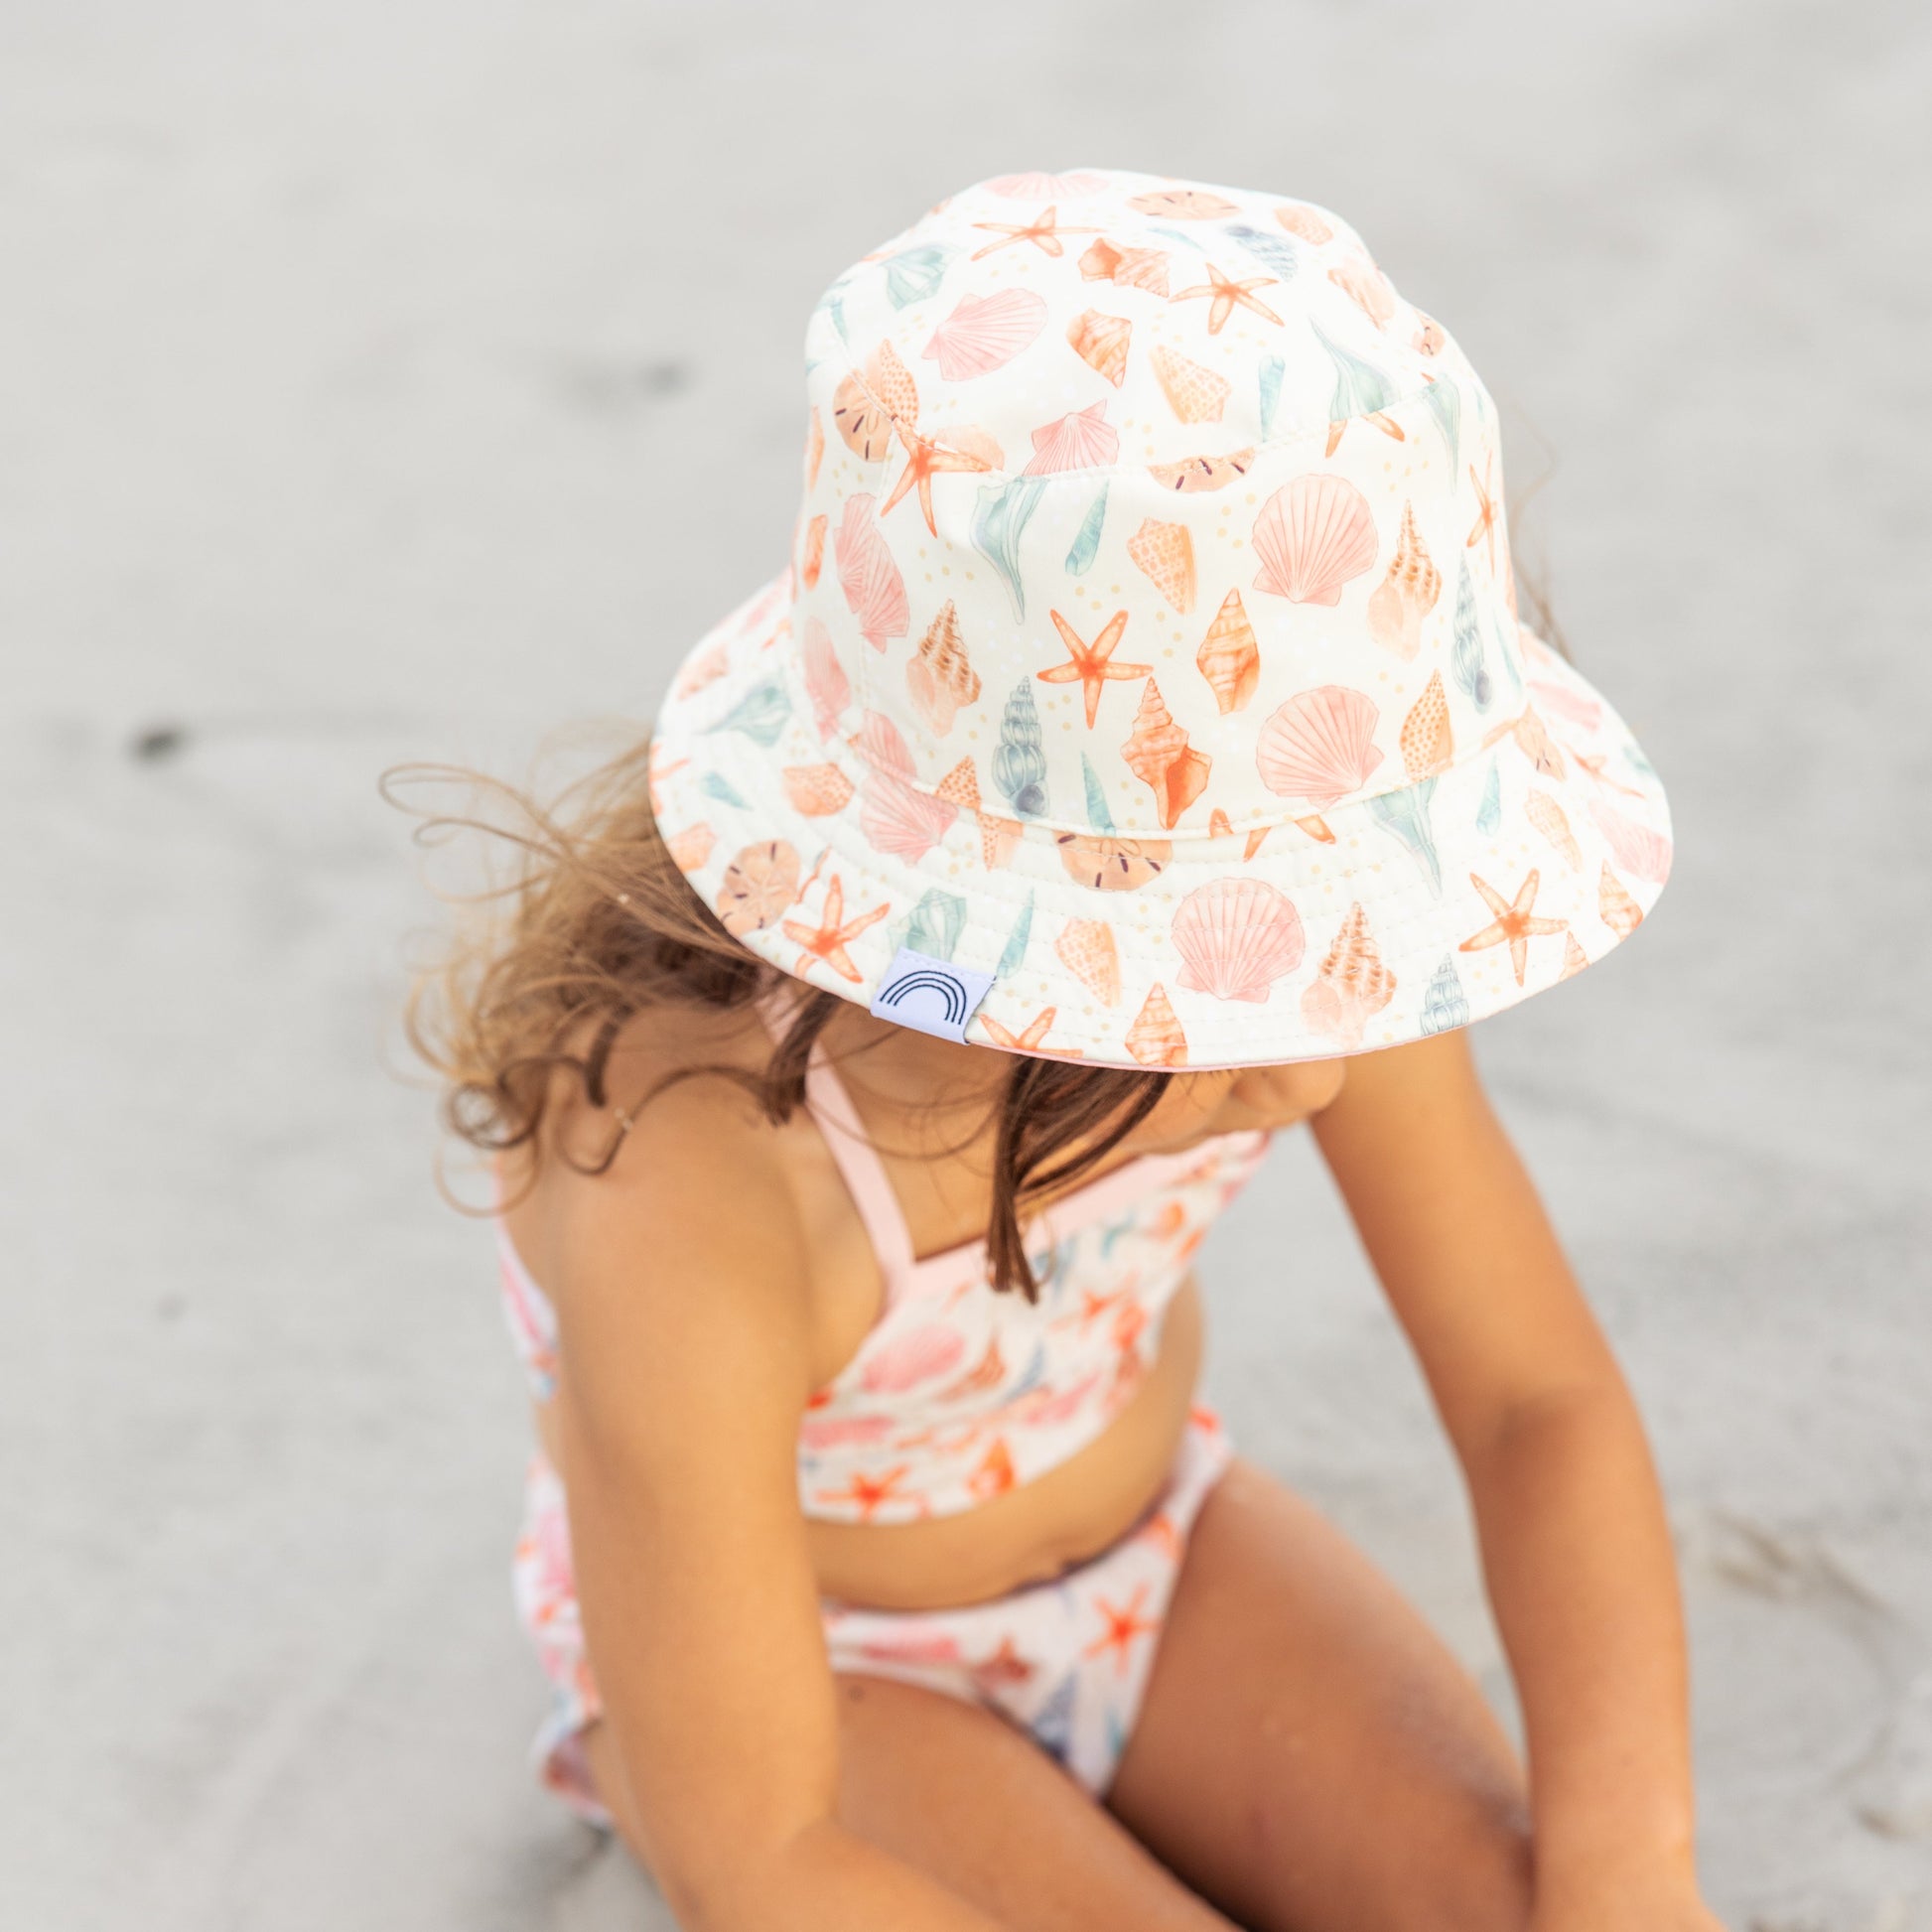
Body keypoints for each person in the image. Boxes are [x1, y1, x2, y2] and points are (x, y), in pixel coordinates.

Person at [410, 169, 1715, 1931]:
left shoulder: (1300, 972)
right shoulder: (697, 1185)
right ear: (989, 946)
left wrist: (1627, 1876)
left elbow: (1530, 1400)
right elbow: (764, 1852)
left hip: (1154, 1558)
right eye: (1229, 980)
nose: (1316, 1075)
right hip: (807, 1668)